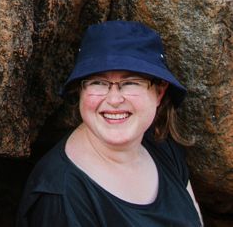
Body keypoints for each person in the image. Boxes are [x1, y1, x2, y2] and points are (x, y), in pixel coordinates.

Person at [16, 20, 203, 227]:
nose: (114, 99)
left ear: (159, 92)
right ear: (81, 91)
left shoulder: (164, 149)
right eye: (98, 82)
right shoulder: (61, 195)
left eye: (131, 82)